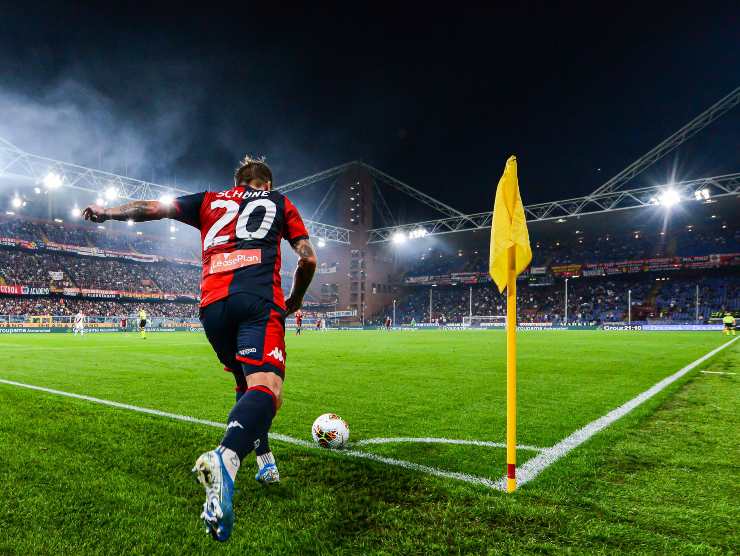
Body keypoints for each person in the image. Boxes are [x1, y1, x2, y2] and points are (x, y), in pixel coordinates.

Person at [83, 156, 316, 542]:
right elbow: (307, 258)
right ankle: (225, 457)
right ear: (267, 183)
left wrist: (107, 211)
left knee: (246, 384)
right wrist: (295, 299)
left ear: (237, 181)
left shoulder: (208, 200)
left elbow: (150, 208)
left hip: (212, 307)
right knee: (267, 388)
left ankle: (264, 461)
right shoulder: (280, 203)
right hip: (257, 299)